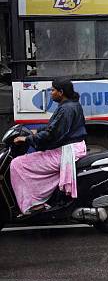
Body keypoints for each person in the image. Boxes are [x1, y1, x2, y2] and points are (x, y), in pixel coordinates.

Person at [10, 78, 87, 215]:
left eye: (53, 90)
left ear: (61, 92)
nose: (51, 93)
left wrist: (27, 138)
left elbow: (53, 135)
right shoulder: (69, 105)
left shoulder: (66, 109)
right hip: (71, 148)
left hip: (67, 151)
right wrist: (37, 131)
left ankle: (35, 203)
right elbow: (54, 128)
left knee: (18, 164)